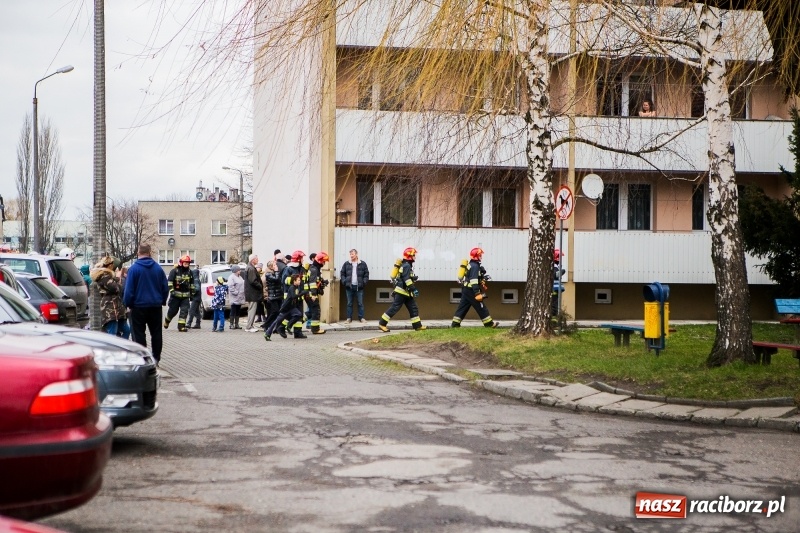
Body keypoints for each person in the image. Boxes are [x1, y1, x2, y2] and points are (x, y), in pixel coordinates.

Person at [124, 244, 169, 364]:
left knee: (138, 333)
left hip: (138, 306)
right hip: (155, 305)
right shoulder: (158, 269)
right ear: (149, 253)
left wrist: (128, 303)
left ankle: (142, 358)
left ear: (138, 253)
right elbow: (165, 287)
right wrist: (162, 300)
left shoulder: (133, 269)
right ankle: (156, 358)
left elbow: (129, 290)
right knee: (156, 333)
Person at [378, 247, 425, 332]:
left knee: (413, 308)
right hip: (402, 292)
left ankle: (417, 326)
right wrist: (413, 289)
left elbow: (405, 277)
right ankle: (382, 324)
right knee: (394, 308)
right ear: (410, 256)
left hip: (406, 292)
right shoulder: (406, 265)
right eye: (414, 255)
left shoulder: (407, 265)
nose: (415, 257)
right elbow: (406, 279)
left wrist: (413, 278)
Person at [451, 247, 498, 329]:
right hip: (472, 291)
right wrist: (477, 293)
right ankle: (489, 324)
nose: (481, 257)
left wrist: (483, 279)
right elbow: (473, 281)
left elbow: (472, 278)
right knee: (481, 306)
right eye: (480, 255)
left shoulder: (472, 265)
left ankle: (455, 324)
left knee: (462, 307)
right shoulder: (475, 266)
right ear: (476, 256)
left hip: (466, 290)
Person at [91, 255, 130, 339]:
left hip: (117, 308)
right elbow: (116, 288)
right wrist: (118, 277)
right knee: (112, 333)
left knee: (126, 330)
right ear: (110, 265)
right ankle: (113, 350)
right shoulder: (104, 276)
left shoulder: (108, 276)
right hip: (110, 308)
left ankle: (120, 347)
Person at [264, 274, 307, 341]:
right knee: (277, 321)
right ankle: (267, 334)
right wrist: (302, 293)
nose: (300, 281)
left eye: (300, 280)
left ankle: (289, 326)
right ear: (294, 281)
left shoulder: (296, 287)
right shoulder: (292, 287)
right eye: (298, 280)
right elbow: (293, 296)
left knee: (299, 314)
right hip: (286, 308)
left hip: (292, 307)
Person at [164, 255, 195, 332]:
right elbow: (170, 282)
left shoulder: (190, 272)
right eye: (185, 263)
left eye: (188, 263)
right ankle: (167, 321)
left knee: (184, 311)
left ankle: (181, 327)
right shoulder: (175, 271)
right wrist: (172, 291)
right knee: (173, 311)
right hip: (175, 296)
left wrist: (192, 294)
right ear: (181, 263)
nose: (186, 265)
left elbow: (192, 284)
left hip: (185, 296)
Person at [340, 248, 369, 324]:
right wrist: (344, 281)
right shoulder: (347, 264)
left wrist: (364, 282)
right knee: (349, 303)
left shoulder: (362, 264)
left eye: (352, 254)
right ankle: (349, 318)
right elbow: (342, 273)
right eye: (350, 254)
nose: (351, 256)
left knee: (360, 303)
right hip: (349, 287)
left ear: (356, 254)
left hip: (359, 287)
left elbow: (366, 274)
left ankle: (361, 318)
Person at [307, 251, 330, 334]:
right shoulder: (314, 270)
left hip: (312, 293)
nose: (324, 263)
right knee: (316, 310)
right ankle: (315, 329)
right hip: (312, 294)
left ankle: (314, 328)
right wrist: (313, 295)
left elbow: (316, 280)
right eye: (323, 261)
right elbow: (312, 283)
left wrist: (323, 282)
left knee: (312, 311)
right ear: (320, 261)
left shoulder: (315, 269)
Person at [244, 254, 263, 332]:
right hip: (252, 293)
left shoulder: (250, 267)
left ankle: (250, 325)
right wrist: (260, 286)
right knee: (252, 309)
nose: (257, 260)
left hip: (251, 292)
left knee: (251, 309)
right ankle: (249, 327)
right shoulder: (251, 269)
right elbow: (253, 281)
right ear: (253, 260)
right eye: (256, 259)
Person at [262, 260, 283, 332]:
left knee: (278, 312)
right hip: (273, 296)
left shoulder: (274, 273)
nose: (277, 266)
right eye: (275, 265)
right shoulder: (268, 274)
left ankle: (275, 327)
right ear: (271, 267)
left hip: (278, 295)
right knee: (274, 312)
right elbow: (276, 279)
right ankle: (266, 325)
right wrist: (277, 271)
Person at [227, 264, 245, 329]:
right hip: (235, 297)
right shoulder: (231, 277)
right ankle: (231, 324)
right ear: (236, 271)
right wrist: (236, 292)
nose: (240, 271)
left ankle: (236, 324)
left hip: (240, 297)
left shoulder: (240, 277)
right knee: (233, 310)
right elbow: (231, 287)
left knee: (238, 310)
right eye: (239, 270)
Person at [186, 265, 202, 329]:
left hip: (195, 298)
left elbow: (197, 289)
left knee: (191, 311)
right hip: (198, 298)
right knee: (196, 311)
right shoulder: (198, 279)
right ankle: (198, 323)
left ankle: (189, 323)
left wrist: (192, 292)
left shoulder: (195, 280)